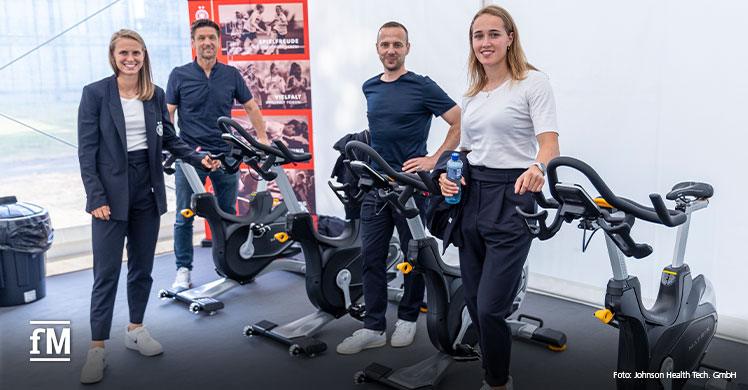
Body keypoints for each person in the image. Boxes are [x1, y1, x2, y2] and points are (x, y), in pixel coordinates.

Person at [77, 29, 220, 384]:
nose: (131, 59)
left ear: (144, 57)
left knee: (142, 268)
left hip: (148, 188)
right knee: (106, 273)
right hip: (110, 193)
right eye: (124, 53)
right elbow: (86, 151)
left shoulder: (154, 95)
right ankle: (97, 349)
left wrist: (199, 159)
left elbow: (170, 139)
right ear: (113, 56)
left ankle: (136, 329)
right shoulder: (95, 94)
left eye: (137, 54)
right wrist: (95, 198)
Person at [438, 6, 560, 390]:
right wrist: (447, 175)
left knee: (491, 308)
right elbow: (466, 151)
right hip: (472, 196)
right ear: (472, 44)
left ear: (510, 38)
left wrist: (538, 169)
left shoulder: (532, 83)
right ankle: (492, 370)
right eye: (478, 36)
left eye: (493, 34)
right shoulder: (473, 94)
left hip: (513, 195)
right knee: (475, 304)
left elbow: (549, 143)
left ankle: (497, 382)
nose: (485, 42)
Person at [336, 21, 461, 354]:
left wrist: (434, 158)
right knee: (371, 257)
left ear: (407, 48)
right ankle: (373, 327)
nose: (390, 50)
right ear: (377, 49)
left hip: (410, 188)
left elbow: (458, 119)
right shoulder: (370, 87)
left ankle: (407, 318)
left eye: (397, 44)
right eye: (384, 44)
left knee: (414, 257)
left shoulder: (422, 86)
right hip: (376, 187)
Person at [167, 19, 269, 290]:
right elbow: (168, 114)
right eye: (201, 38)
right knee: (184, 215)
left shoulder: (231, 75)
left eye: (211, 37)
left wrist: (262, 140)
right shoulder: (179, 74)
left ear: (218, 42)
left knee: (227, 215)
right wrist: (169, 146)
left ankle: (231, 265)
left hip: (225, 156)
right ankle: (183, 271)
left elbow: (251, 107)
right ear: (193, 43)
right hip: (190, 157)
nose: (207, 43)